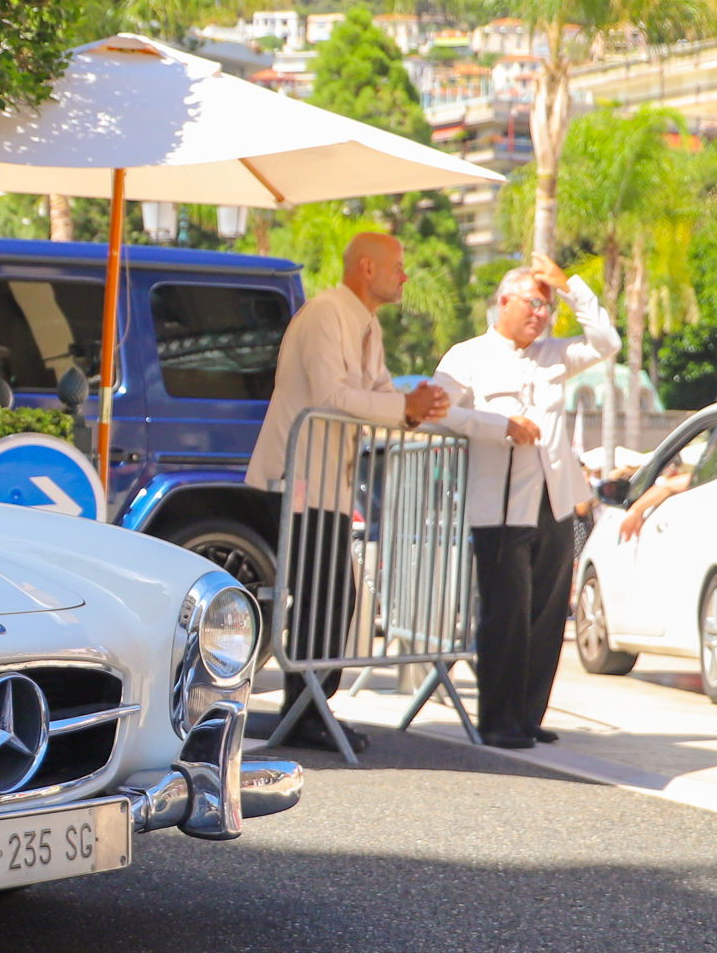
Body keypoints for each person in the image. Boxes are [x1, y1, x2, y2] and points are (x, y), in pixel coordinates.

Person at [244, 232, 450, 753]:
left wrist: (414, 406)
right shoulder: (327, 314)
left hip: (324, 482)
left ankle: (309, 708)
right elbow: (332, 395)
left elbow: (379, 392)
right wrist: (405, 408)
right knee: (325, 592)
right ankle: (306, 710)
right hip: (296, 478)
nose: (404, 276)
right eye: (397, 266)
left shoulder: (365, 323)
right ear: (366, 267)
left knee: (334, 594)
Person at [431, 257, 622, 750]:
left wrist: (570, 286)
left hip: (554, 500)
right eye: (534, 303)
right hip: (499, 506)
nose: (542, 314)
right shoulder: (467, 354)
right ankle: (497, 719)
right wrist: (499, 427)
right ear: (504, 302)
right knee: (506, 614)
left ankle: (528, 713)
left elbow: (607, 342)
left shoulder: (554, 354)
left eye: (549, 306)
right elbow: (440, 410)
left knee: (545, 612)